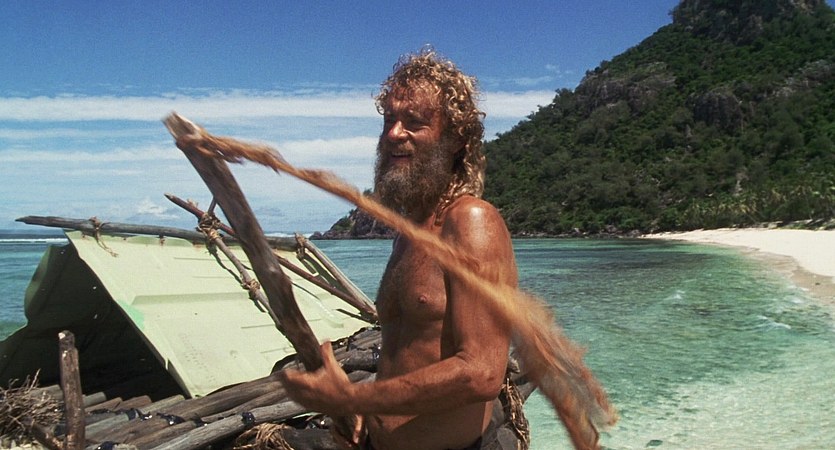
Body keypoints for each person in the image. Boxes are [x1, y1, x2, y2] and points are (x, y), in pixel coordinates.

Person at [279, 48, 527, 450]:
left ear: (455, 139)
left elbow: (481, 372)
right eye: (389, 120)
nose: (394, 134)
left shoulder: (471, 222)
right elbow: (407, 355)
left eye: (414, 122)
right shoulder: (409, 233)